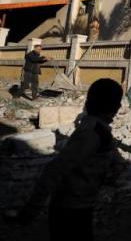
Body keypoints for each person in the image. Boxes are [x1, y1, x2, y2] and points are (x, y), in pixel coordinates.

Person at [16, 78, 124, 241]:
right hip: (68, 206)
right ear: (114, 108)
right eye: (118, 104)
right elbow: (56, 169)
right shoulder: (90, 133)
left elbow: (114, 158)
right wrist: (33, 206)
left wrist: (114, 169)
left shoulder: (101, 130)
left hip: (83, 203)